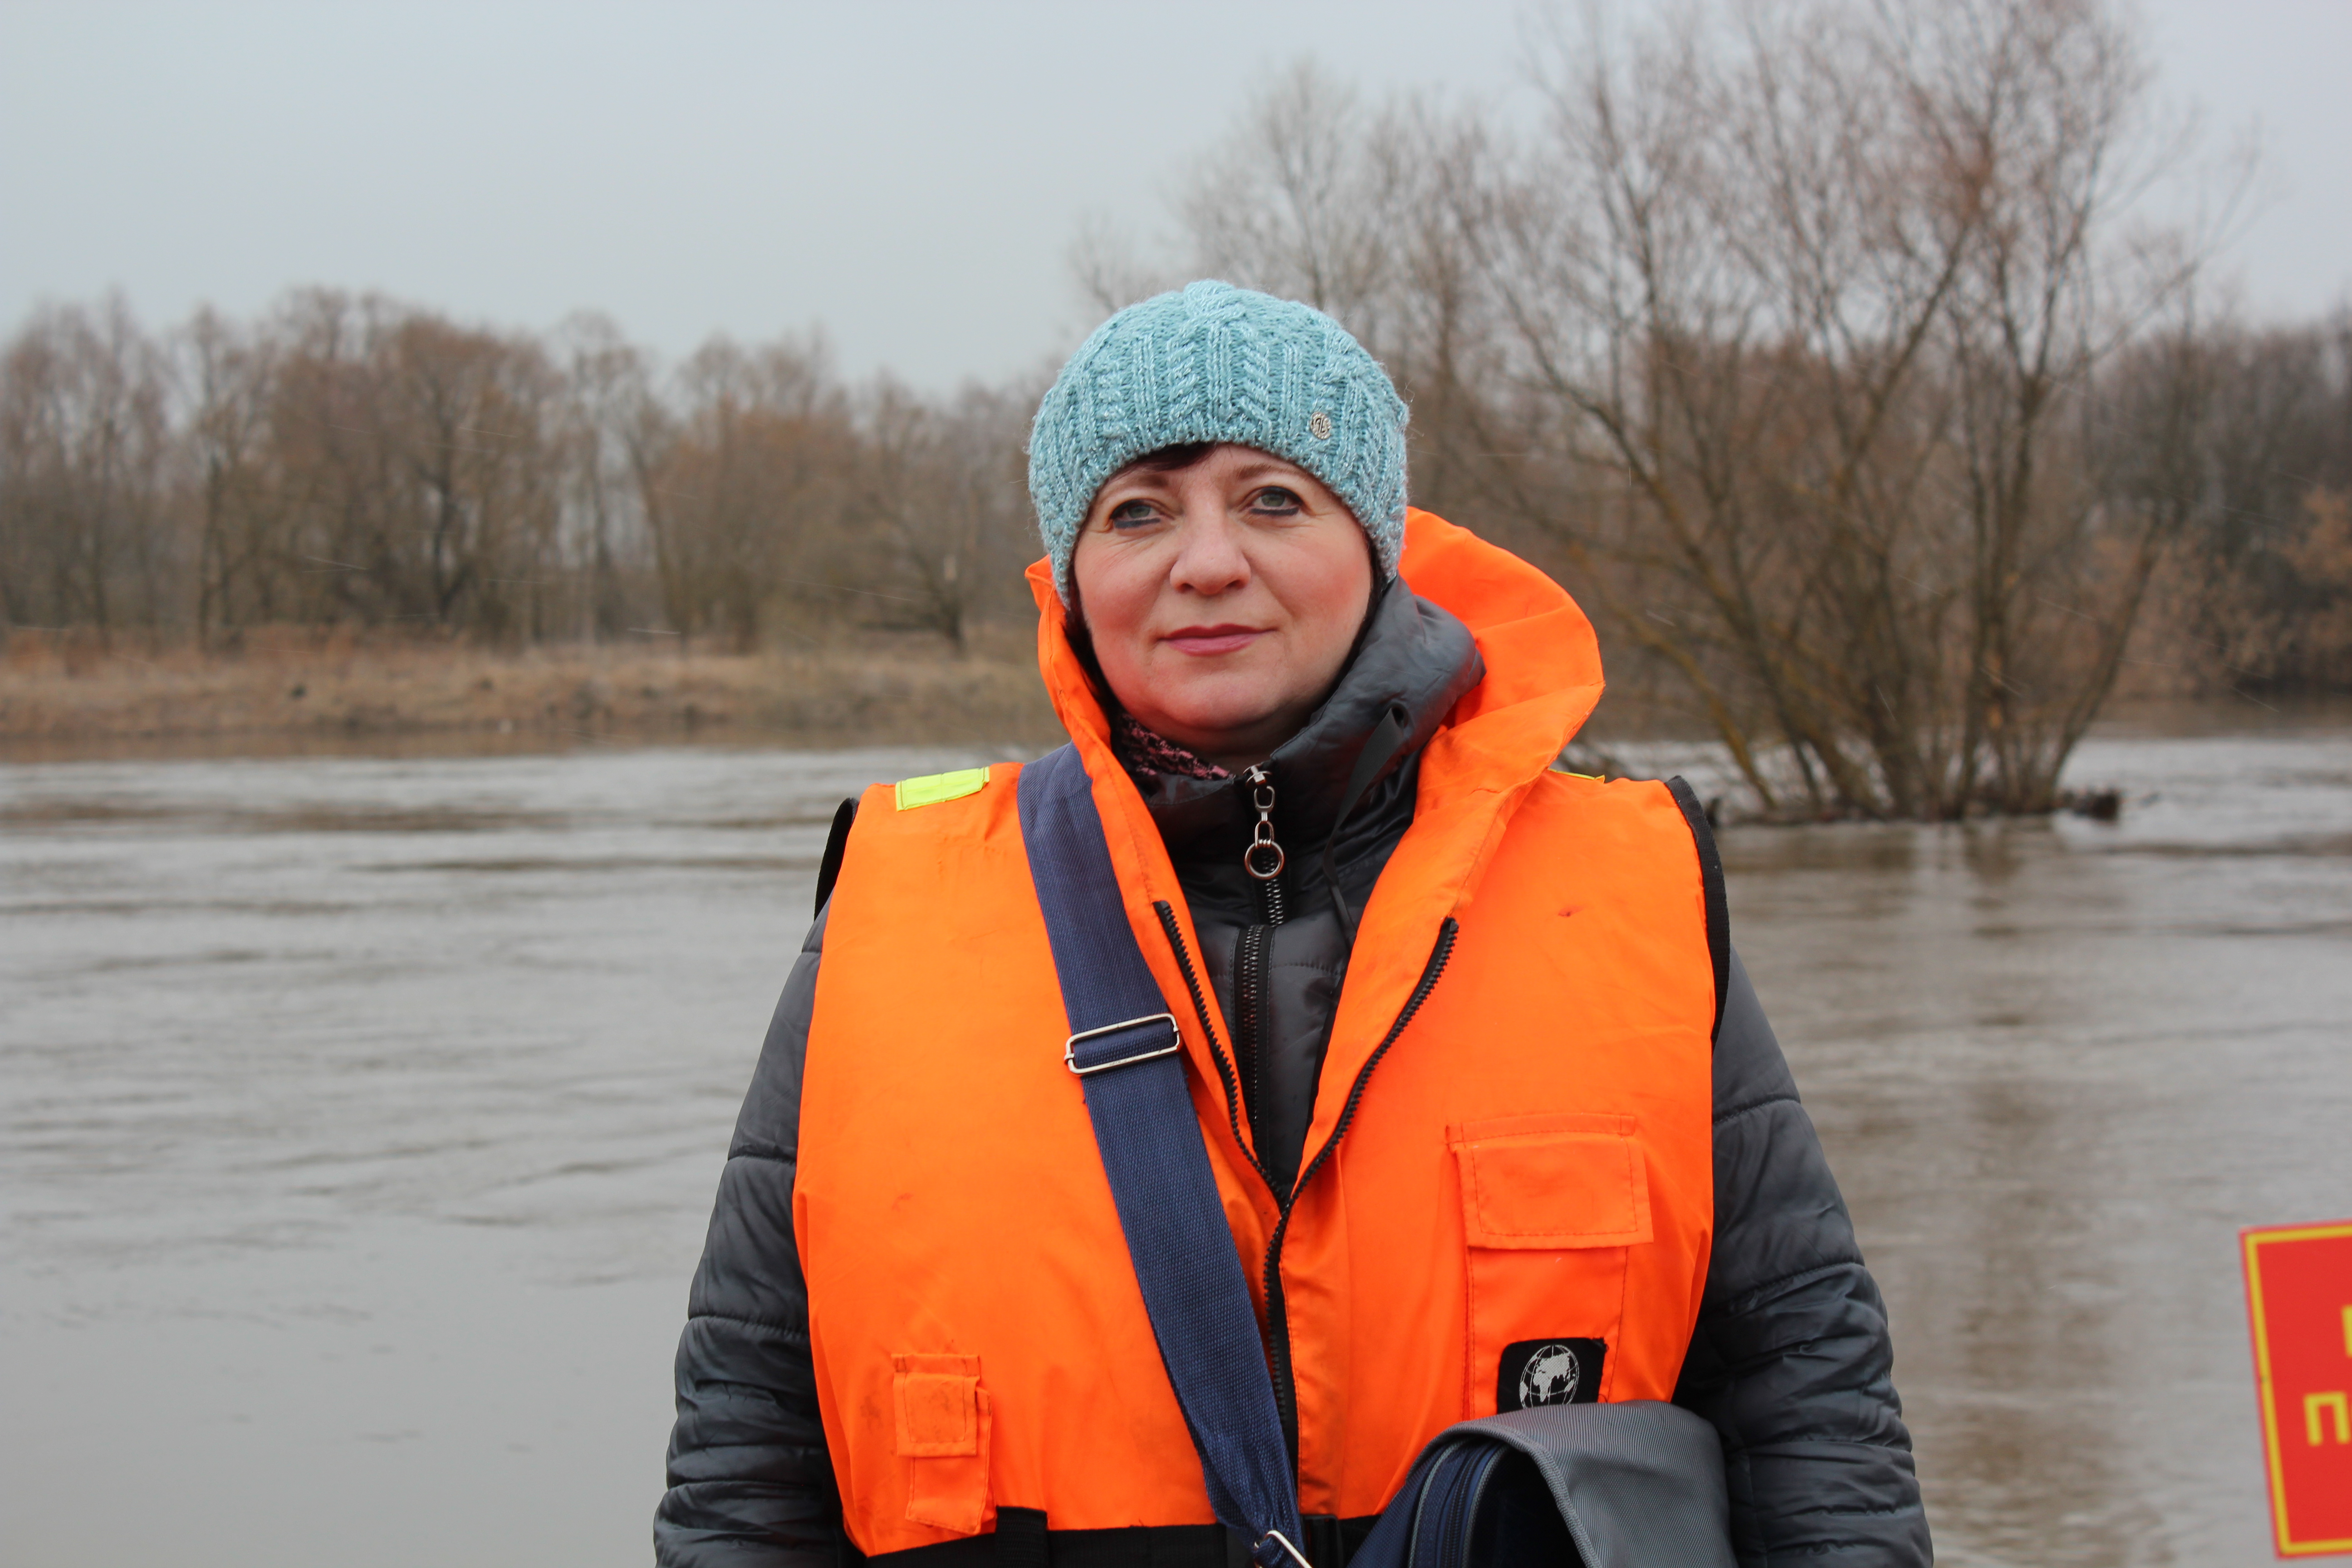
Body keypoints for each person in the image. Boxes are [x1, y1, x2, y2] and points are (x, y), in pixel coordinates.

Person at [655, 282, 1930, 1568]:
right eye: (1137, 510)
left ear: (1375, 547)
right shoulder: (887, 899)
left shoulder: (1638, 881)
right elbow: (748, 1437)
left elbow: (1804, 1381)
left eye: (1273, 498)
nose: (1205, 561)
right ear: (1076, 580)